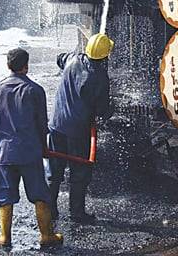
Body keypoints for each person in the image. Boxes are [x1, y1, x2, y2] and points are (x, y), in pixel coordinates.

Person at [0, 48, 63, 249]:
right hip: (30, 153)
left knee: (5, 196)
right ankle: (46, 236)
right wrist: (44, 149)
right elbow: (41, 125)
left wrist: (1, 143)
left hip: (4, 154)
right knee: (40, 194)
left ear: (8, 65)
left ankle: (4, 237)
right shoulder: (35, 90)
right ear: (26, 66)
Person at [48, 34, 115, 224]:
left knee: (55, 171)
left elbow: (59, 58)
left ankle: (49, 210)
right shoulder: (100, 77)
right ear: (105, 57)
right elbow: (103, 111)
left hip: (56, 125)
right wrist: (112, 107)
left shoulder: (72, 59)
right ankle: (76, 213)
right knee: (79, 172)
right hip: (78, 131)